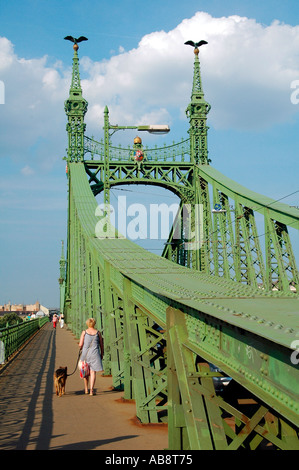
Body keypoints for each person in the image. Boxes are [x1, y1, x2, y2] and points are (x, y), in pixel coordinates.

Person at [79, 318, 104, 395]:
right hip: (95, 354)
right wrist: (102, 354)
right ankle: (91, 390)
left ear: (87, 324)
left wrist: (81, 348)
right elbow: (101, 345)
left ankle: (86, 389)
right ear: (94, 324)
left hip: (85, 355)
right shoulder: (98, 333)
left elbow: (80, 345)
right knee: (93, 372)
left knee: (85, 372)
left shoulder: (84, 332)